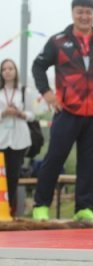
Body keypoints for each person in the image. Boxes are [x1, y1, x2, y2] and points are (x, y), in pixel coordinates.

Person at [31, 0, 93, 221]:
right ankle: (41, 205)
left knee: (90, 163)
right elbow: (38, 65)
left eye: (88, 12)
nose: (84, 16)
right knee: (54, 158)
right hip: (67, 111)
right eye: (80, 12)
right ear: (72, 13)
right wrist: (47, 93)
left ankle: (83, 207)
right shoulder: (58, 41)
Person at [0, 59, 36, 215]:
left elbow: (32, 115)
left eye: (10, 68)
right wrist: (4, 112)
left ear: (15, 71)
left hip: (19, 139)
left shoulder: (24, 91)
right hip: (2, 137)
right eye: (4, 69)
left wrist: (20, 114)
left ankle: (10, 210)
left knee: (13, 176)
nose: (7, 71)